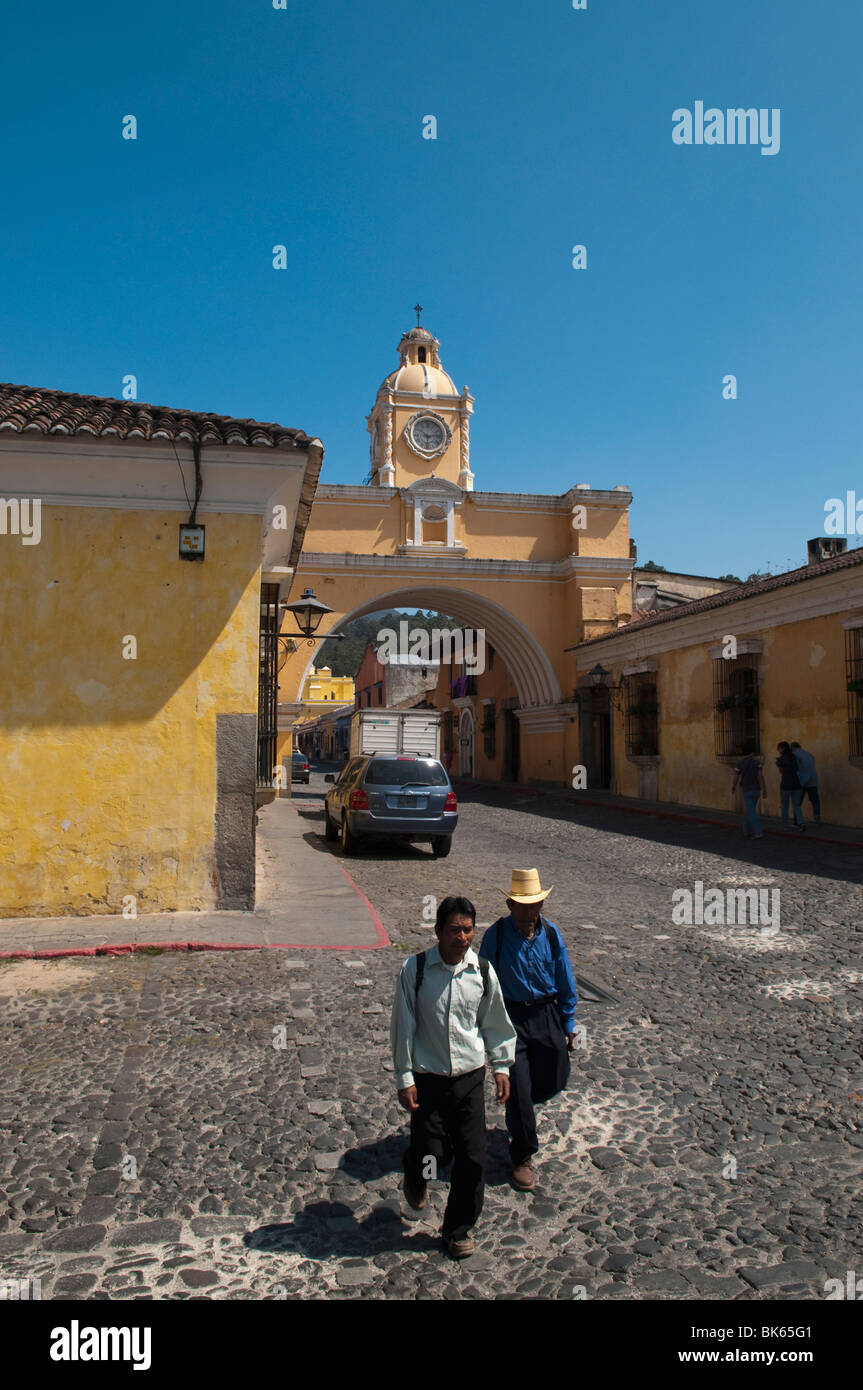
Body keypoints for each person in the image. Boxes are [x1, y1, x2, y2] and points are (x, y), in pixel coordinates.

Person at [390, 895, 516, 1259]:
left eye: (468, 930)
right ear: (438, 931)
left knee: (473, 1158)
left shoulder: (483, 973)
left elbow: (495, 1023)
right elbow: (403, 1026)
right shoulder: (414, 971)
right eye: (454, 930)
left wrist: (502, 1067)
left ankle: (457, 1229)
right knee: (433, 1153)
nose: (462, 938)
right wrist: (404, 1077)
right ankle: (416, 1171)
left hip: (469, 1079)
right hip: (428, 1080)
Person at [478, 870, 577, 1193]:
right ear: (509, 904)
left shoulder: (551, 934)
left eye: (535, 904)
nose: (529, 911)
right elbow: (482, 981)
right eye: (522, 905)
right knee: (518, 1087)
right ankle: (522, 1154)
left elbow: (565, 977)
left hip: (546, 1013)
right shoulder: (497, 936)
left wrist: (569, 1022)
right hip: (511, 1018)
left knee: (556, 1076)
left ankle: (521, 1111)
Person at [732, 742, 766, 839]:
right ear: (752, 752)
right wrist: (764, 788)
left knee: (751, 812)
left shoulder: (740, 763)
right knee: (751, 811)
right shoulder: (757, 763)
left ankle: (758, 832)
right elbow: (760, 776)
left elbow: (736, 777)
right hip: (756, 789)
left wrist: (733, 786)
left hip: (746, 790)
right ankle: (746, 830)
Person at [776, 740, 805, 831]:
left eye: (779, 748)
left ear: (783, 749)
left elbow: (780, 771)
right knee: (796, 806)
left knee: (785, 806)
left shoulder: (781, 759)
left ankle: (785, 825)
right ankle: (801, 823)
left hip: (786, 785)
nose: (778, 750)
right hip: (797, 784)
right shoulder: (795, 757)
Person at [791, 741, 820, 823]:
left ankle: (796, 821)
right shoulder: (809, 754)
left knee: (797, 802)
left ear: (793, 748)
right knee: (815, 801)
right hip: (813, 780)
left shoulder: (795, 755)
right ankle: (817, 817)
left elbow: (795, 768)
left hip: (802, 781)